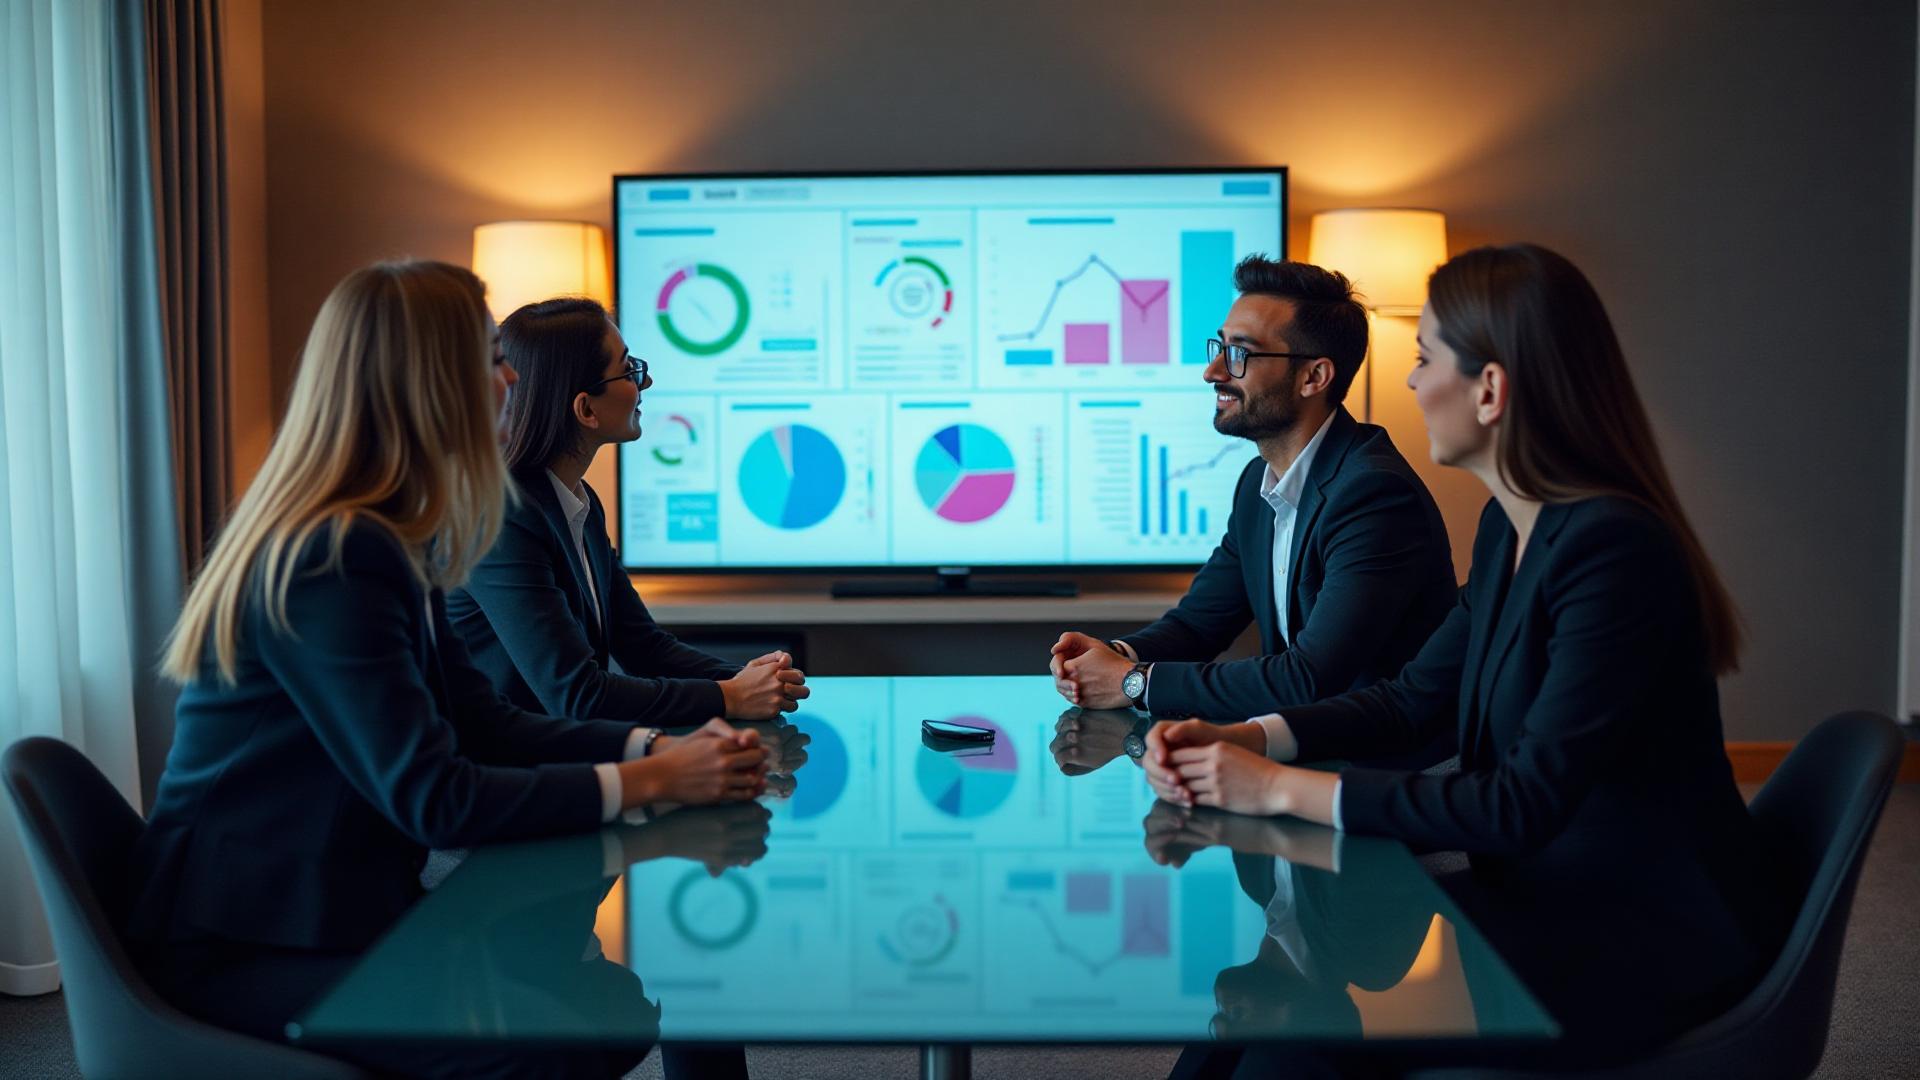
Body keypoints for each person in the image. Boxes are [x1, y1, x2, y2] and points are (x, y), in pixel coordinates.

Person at [1143, 244, 1792, 1063]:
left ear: (1489, 389)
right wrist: (1255, 739)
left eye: (1424, 359)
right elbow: (1413, 699)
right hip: (1545, 894)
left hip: (1639, 936)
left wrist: (1279, 788)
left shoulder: (1614, 550)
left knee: (1292, 1043)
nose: (1410, 383)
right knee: (1239, 1033)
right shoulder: (1508, 527)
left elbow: (1519, 805)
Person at [128, 260, 768, 1079]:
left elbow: (489, 725)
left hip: (332, 906)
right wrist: (656, 780)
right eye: (493, 360)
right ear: (435, 385)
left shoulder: (389, 537)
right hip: (248, 943)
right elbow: (438, 800)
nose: (511, 380)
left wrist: (651, 751)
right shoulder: (334, 555)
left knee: (608, 1012)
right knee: (563, 1042)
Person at [1051, 258, 1455, 727]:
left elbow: (1308, 678)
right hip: (1297, 748)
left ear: (1314, 377)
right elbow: (1198, 624)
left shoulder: (1374, 495)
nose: (1213, 371)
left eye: (1240, 353)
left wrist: (1132, 681)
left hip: (1383, 766)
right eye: (1219, 347)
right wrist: (1114, 654)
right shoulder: (1255, 483)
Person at [448, 296, 807, 727]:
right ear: (586, 409)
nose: (646, 382)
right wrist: (728, 696)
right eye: (629, 369)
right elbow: (577, 695)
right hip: (504, 775)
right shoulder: (501, 517)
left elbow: (642, 645)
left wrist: (748, 679)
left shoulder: (578, 501)